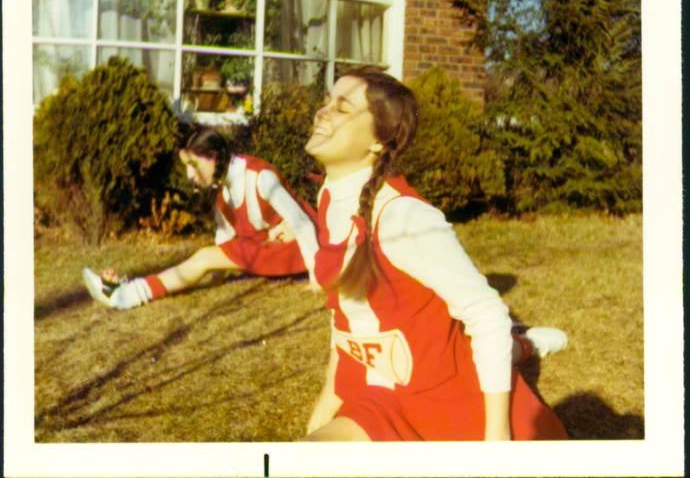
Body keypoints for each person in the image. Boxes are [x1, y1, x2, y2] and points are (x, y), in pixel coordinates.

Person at [301, 66, 568, 441]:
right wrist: (328, 398)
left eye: (343, 109)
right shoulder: (330, 193)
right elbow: (344, 308)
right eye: (326, 101)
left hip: (444, 399)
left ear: (378, 140)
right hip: (377, 395)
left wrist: (496, 440)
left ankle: (522, 345)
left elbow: (486, 314)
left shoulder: (403, 216)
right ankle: (520, 345)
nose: (323, 111)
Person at [82, 127, 319, 310]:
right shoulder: (223, 190)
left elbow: (303, 224)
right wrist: (217, 274)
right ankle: (124, 293)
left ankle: (125, 296)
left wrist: (317, 278)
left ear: (213, 156)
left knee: (203, 257)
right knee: (205, 257)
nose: (189, 174)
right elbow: (225, 236)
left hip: (296, 249)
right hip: (270, 246)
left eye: (193, 165)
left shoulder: (260, 177)